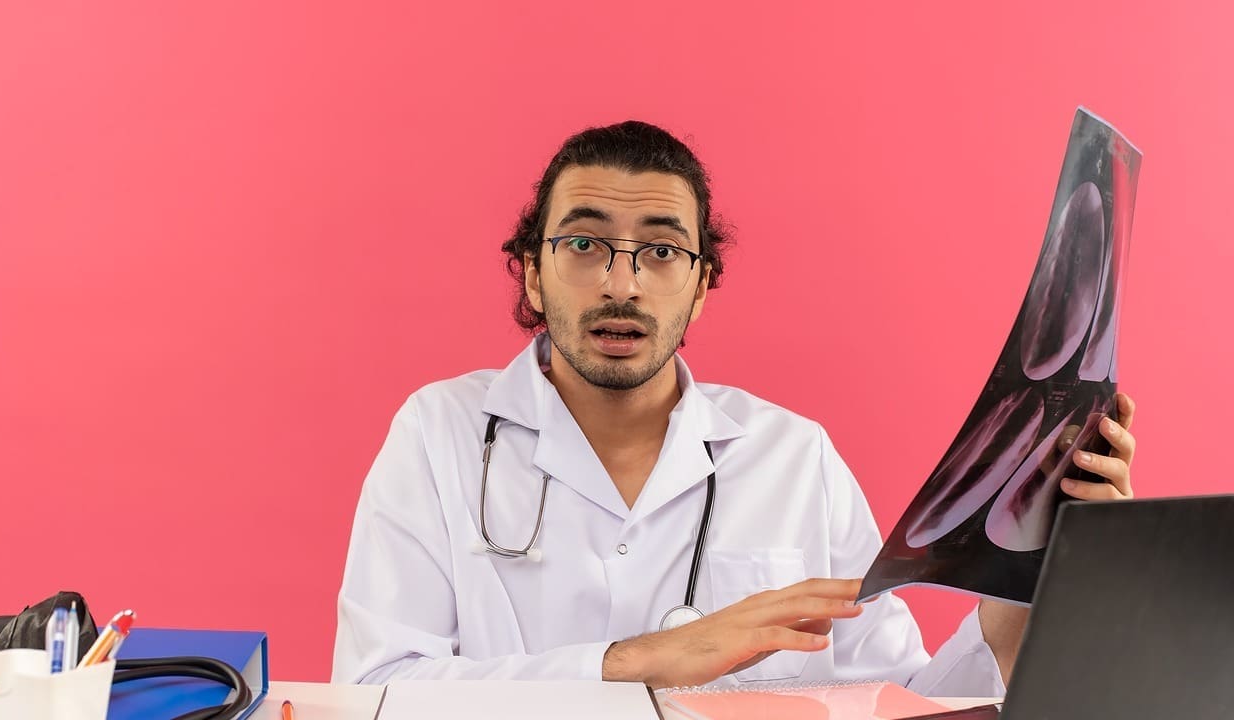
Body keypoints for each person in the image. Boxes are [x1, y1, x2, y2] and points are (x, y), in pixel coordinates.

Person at [331, 121, 1137, 695]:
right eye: (583, 244)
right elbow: (374, 690)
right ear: (532, 275)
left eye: (661, 250)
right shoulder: (438, 434)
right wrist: (648, 659)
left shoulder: (794, 458)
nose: (622, 283)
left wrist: (1037, 573)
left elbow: (898, 703)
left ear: (701, 286)